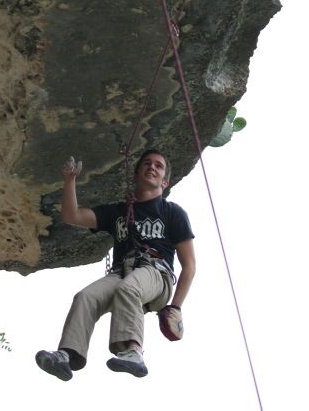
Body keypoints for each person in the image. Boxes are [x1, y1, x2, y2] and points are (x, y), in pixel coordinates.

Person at [35, 149, 196, 379]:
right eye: (147, 164)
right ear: (136, 174)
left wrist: (176, 307)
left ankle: (133, 352)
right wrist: (69, 180)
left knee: (128, 287)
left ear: (165, 180)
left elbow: (189, 265)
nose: (152, 167)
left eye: (159, 166)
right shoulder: (118, 212)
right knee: (86, 297)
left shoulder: (172, 213)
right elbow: (72, 216)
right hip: (122, 272)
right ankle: (67, 355)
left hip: (157, 274)